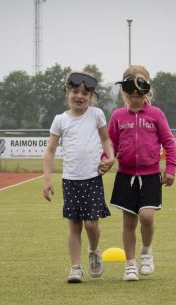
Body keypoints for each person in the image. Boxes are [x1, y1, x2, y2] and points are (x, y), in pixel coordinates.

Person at [43, 71, 115, 283]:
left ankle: (94, 250)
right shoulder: (60, 120)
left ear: (92, 96)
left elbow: (106, 139)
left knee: (92, 224)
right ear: (67, 93)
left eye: (86, 93)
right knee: (74, 225)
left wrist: (111, 158)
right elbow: (50, 150)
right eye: (75, 91)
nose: (80, 96)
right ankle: (75, 267)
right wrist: (47, 179)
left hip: (92, 178)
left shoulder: (96, 114)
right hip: (70, 180)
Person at [107, 65, 176, 281]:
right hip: (125, 176)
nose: (135, 91)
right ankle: (130, 264)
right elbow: (110, 143)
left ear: (147, 88)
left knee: (146, 217)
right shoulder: (118, 115)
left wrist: (171, 168)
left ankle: (146, 251)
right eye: (130, 85)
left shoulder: (156, 114)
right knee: (129, 222)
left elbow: (169, 142)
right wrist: (106, 159)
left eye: (141, 85)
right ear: (124, 89)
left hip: (149, 176)